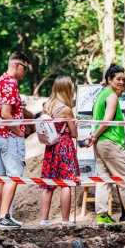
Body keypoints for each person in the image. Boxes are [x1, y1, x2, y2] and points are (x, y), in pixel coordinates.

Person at [86, 63, 125, 223]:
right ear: (109, 79)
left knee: (104, 179)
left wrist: (94, 137)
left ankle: (102, 216)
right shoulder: (111, 96)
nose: (121, 82)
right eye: (118, 79)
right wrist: (95, 136)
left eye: (123, 79)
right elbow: (107, 120)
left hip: (100, 143)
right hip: (111, 141)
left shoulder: (100, 95)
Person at [0, 52, 30, 228]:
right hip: (10, 136)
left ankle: (1, 215)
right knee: (13, 176)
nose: (25, 72)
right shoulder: (9, 83)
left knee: (1, 176)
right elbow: (6, 114)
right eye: (25, 68)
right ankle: (3, 216)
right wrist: (20, 132)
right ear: (17, 65)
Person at [39, 76, 79, 226]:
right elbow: (74, 133)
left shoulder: (46, 105)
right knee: (66, 183)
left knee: (48, 184)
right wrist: (68, 129)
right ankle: (65, 220)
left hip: (50, 146)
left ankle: (44, 219)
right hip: (64, 145)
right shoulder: (67, 110)